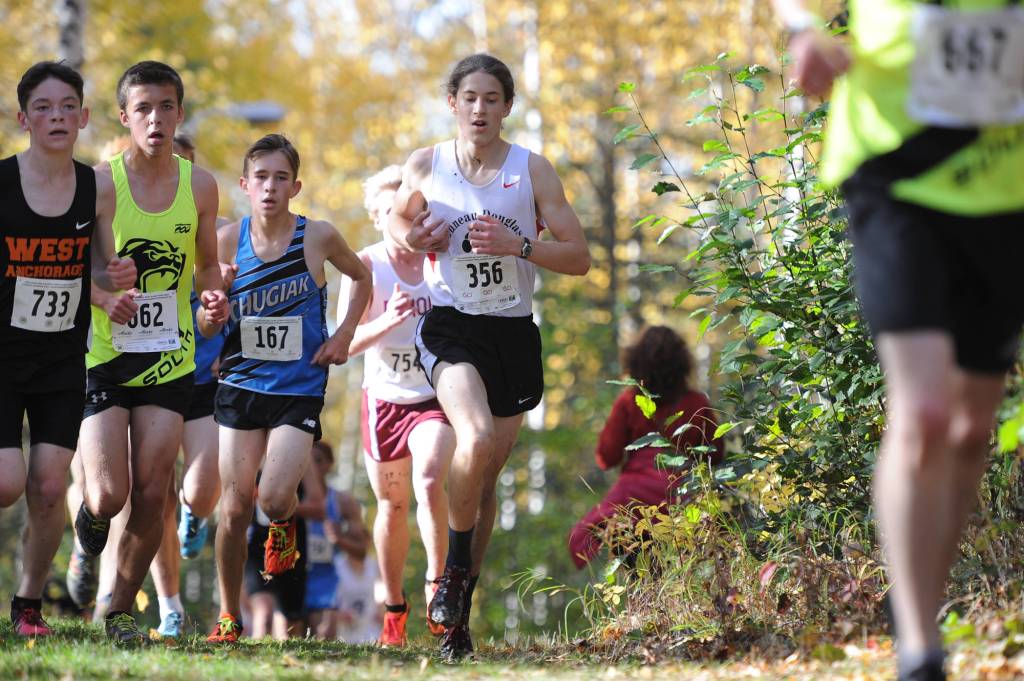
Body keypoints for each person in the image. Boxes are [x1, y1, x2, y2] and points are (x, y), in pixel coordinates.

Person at [774, 2, 1024, 680]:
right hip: (894, 170)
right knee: (927, 412)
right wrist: (802, 30)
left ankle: (925, 605)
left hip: (1003, 187)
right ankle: (920, 648)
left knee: (972, 428)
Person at [389, 53, 591, 660]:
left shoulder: (533, 171)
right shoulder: (427, 163)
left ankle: (459, 616)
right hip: (451, 327)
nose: (480, 109)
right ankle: (446, 578)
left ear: (507, 107)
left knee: (486, 478)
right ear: (452, 103)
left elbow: (578, 256)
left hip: (511, 333)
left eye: (492, 99)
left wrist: (521, 245)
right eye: (469, 98)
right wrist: (414, 237)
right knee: (472, 441)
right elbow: (398, 223)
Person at [73, 60, 229, 645]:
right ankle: (89, 523)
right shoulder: (101, 183)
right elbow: (71, 265)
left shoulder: (202, 186)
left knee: (154, 489)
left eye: (166, 107)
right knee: (108, 493)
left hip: (170, 354)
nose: (156, 119)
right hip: (105, 353)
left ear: (180, 114)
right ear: (124, 117)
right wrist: (103, 285)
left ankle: (117, 612)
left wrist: (213, 299)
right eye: (143, 108)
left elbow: (208, 265)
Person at [205, 133, 371, 643]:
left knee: (277, 497)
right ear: (244, 185)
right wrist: (214, 307)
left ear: (295, 185)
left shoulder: (317, 236)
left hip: (297, 387)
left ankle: (282, 527)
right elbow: (206, 324)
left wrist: (344, 336)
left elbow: (361, 278)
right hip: (239, 382)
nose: (270, 187)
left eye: (281, 178)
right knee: (232, 508)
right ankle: (229, 616)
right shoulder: (225, 241)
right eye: (261, 178)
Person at [0, 61, 136, 637]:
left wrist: (116, 284)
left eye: (66, 108)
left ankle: (27, 606)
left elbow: (100, 268)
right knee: (7, 482)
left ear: (82, 117)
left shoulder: (95, 185)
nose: (55, 117)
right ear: (23, 118)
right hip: (3, 357)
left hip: (61, 359)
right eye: (43, 108)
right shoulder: (2, 182)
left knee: (52, 485)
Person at [339, 165, 455, 646]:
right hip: (384, 399)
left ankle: (437, 582)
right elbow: (342, 342)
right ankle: (393, 605)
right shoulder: (364, 266)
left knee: (430, 478)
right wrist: (386, 322)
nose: (400, 220)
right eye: (389, 211)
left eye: (407, 211)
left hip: (434, 394)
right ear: (376, 218)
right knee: (392, 504)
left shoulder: (439, 262)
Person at [567, 326, 723, 569]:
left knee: (636, 572)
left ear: (636, 361)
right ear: (682, 363)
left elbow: (606, 457)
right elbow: (717, 454)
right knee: (686, 571)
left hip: (632, 503)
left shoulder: (630, 401)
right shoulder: (696, 403)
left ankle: (642, 604)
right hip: (683, 498)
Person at [304, 440, 370, 639]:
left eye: (318, 460)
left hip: (325, 575)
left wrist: (339, 539)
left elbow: (362, 550)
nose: (312, 466)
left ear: (329, 464)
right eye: (307, 461)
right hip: (293, 573)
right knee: (290, 635)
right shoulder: (288, 497)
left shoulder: (343, 502)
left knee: (326, 634)